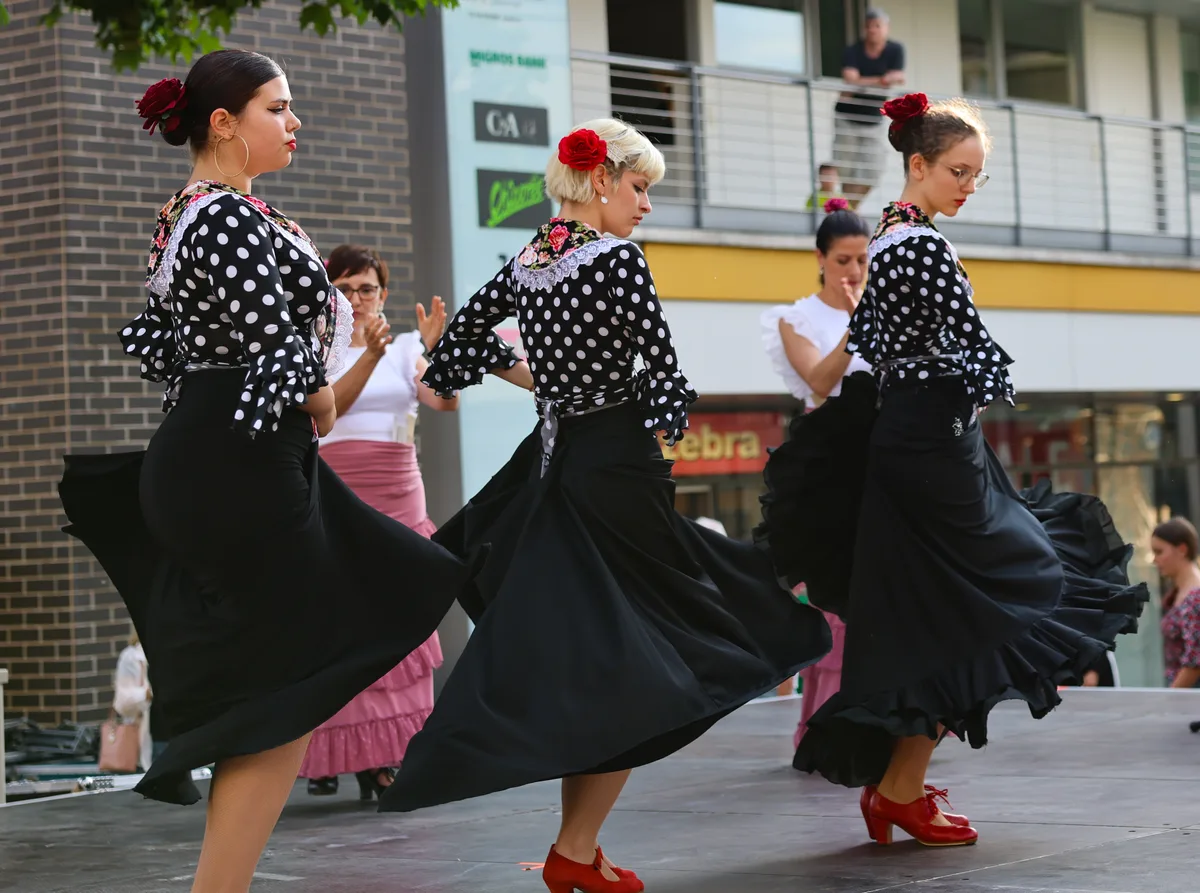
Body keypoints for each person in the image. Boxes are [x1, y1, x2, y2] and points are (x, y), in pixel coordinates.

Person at [57, 50, 528, 893]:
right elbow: (295, 369)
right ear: (224, 123)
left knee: (303, 669)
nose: (295, 120)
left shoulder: (190, 215)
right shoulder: (227, 217)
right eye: (279, 106)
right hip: (243, 462)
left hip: (224, 456)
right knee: (287, 689)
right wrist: (316, 394)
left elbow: (187, 349)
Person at [379, 118, 832, 893]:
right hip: (615, 468)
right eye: (640, 186)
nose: (646, 204)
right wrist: (660, 427)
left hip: (554, 468)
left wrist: (495, 360)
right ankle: (575, 847)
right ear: (600, 182)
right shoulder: (619, 259)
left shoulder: (529, 258)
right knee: (644, 654)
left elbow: (451, 357)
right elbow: (659, 366)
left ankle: (576, 850)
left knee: (607, 655)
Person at [757, 92, 1148, 848]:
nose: (969, 186)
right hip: (932, 447)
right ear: (918, 165)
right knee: (1005, 588)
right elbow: (968, 346)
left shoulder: (894, 235)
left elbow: (873, 341)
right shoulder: (920, 245)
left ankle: (898, 787)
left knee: (944, 612)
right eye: (958, 172)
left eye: (977, 175)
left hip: (921, 440)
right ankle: (897, 787)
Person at [299, 247, 455, 799]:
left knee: (400, 622)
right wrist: (363, 355)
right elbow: (324, 413)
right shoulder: (313, 350)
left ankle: (385, 758)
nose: (356, 299)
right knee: (336, 624)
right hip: (336, 497)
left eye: (366, 288)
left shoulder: (406, 346)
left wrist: (438, 352)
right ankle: (329, 754)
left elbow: (442, 403)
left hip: (398, 494)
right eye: (342, 289)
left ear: (383, 294)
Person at [758, 197, 872, 749]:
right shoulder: (796, 317)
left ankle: (882, 731)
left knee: (882, 595)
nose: (854, 271)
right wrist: (858, 325)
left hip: (880, 458)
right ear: (821, 258)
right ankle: (829, 732)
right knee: (836, 600)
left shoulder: (881, 306)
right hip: (829, 467)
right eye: (845, 260)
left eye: (863, 260)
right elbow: (820, 382)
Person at [833, 8, 906, 207]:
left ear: (886, 28)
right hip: (846, 117)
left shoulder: (895, 50)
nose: (872, 30)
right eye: (868, 26)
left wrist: (862, 83)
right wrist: (882, 80)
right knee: (845, 169)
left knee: (873, 169)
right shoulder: (853, 51)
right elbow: (850, 79)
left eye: (877, 26)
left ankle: (848, 209)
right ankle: (847, 213)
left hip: (873, 118)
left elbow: (898, 76)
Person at [1152, 517, 1200, 689]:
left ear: (1182, 549)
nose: (1154, 560)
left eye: (1159, 552)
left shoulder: (1195, 596)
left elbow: (1195, 662)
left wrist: (1171, 698)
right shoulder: (1180, 592)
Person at [112, 633, 156, 771]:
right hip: (145, 738)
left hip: (174, 736)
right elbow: (122, 702)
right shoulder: (131, 657)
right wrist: (144, 694)